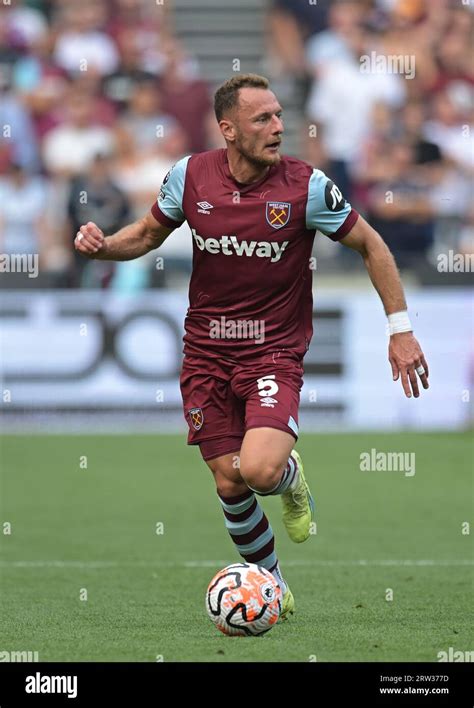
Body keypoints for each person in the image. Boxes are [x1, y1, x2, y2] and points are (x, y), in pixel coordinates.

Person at [74, 74, 429, 621]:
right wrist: (102, 248)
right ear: (229, 130)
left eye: (279, 116)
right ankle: (274, 584)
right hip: (204, 353)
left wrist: (400, 328)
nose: (278, 128)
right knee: (228, 478)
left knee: (259, 471)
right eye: (262, 119)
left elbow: (371, 244)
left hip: (272, 352)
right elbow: (145, 235)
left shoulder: (306, 187)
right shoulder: (188, 177)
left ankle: (290, 480)